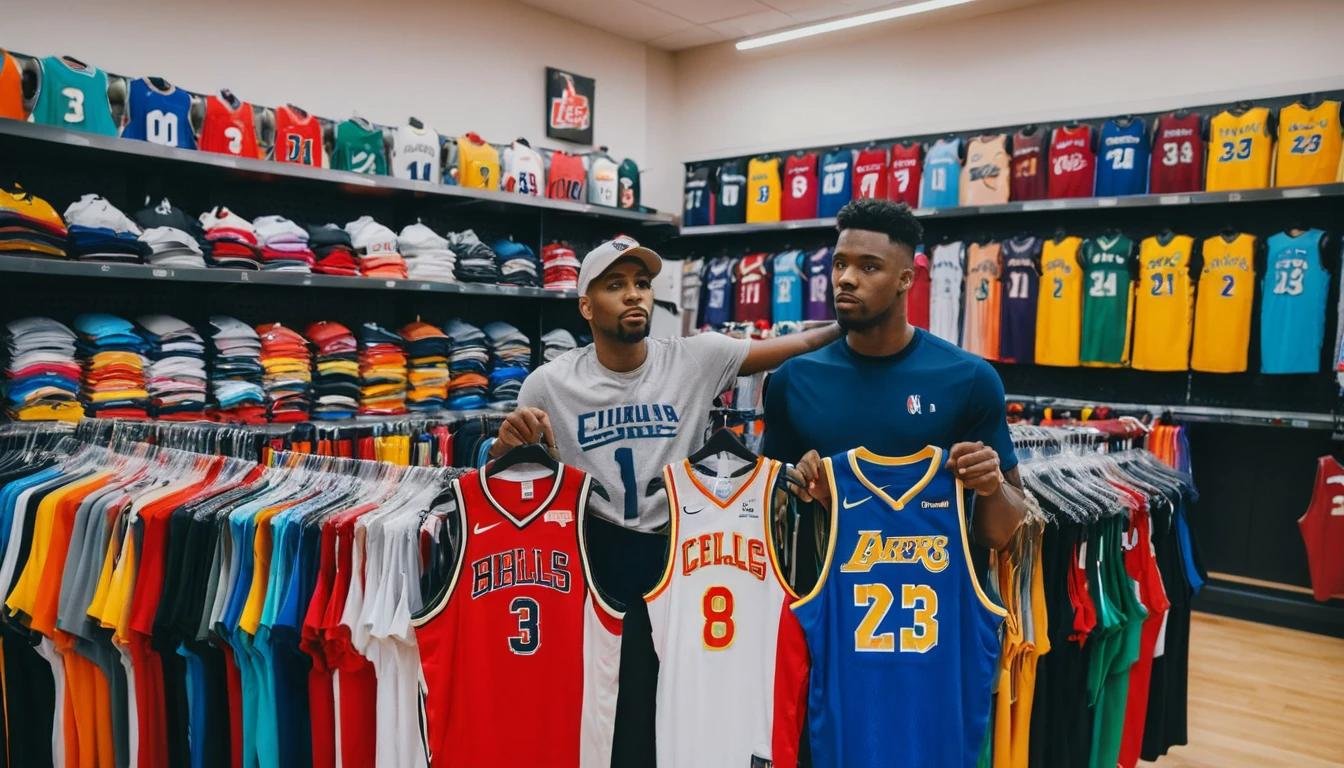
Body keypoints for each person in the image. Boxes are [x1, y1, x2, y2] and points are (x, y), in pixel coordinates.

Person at [493, 234, 841, 599]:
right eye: (615, 285)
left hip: (677, 552)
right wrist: (502, 446)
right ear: (586, 307)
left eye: (642, 284)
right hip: (590, 556)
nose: (634, 295)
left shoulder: (695, 358)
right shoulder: (548, 384)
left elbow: (800, 344)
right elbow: (506, 482)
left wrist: (848, 320)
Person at [762, 197, 1026, 551]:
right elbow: (766, 514)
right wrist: (794, 482)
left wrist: (991, 485)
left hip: (932, 598)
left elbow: (1001, 535)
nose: (847, 279)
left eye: (869, 267)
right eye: (840, 264)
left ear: (905, 279)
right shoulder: (792, 380)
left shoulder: (970, 379)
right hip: (825, 598)